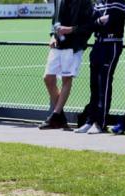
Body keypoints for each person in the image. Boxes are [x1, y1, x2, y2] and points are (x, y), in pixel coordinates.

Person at [38, 0, 94, 130]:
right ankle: (60, 118)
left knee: (66, 78)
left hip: (73, 46)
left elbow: (90, 25)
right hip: (58, 44)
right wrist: (52, 35)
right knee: (48, 78)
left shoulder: (85, 2)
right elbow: (55, 20)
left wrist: (71, 30)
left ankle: (55, 115)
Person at [75, 0, 125, 134]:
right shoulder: (98, 3)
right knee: (94, 85)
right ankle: (90, 120)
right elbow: (90, 25)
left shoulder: (117, 3)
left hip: (111, 45)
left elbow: (113, 24)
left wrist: (98, 23)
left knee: (105, 84)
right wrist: (98, 22)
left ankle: (100, 123)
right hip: (98, 44)